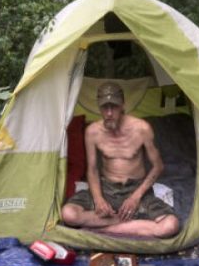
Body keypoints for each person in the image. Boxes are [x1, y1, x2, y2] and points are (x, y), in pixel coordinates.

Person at [61, 82, 180, 238]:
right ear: (99, 107)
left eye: (114, 107)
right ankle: (126, 222)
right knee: (68, 214)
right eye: (105, 108)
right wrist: (98, 200)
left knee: (170, 226)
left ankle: (101, 228)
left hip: (136, 189)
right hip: (106, 188)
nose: (109, 113)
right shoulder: (92, 132)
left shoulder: (142, 128)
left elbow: (158, 166)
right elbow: (92, 169)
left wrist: (135, 198)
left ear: (123, 105)